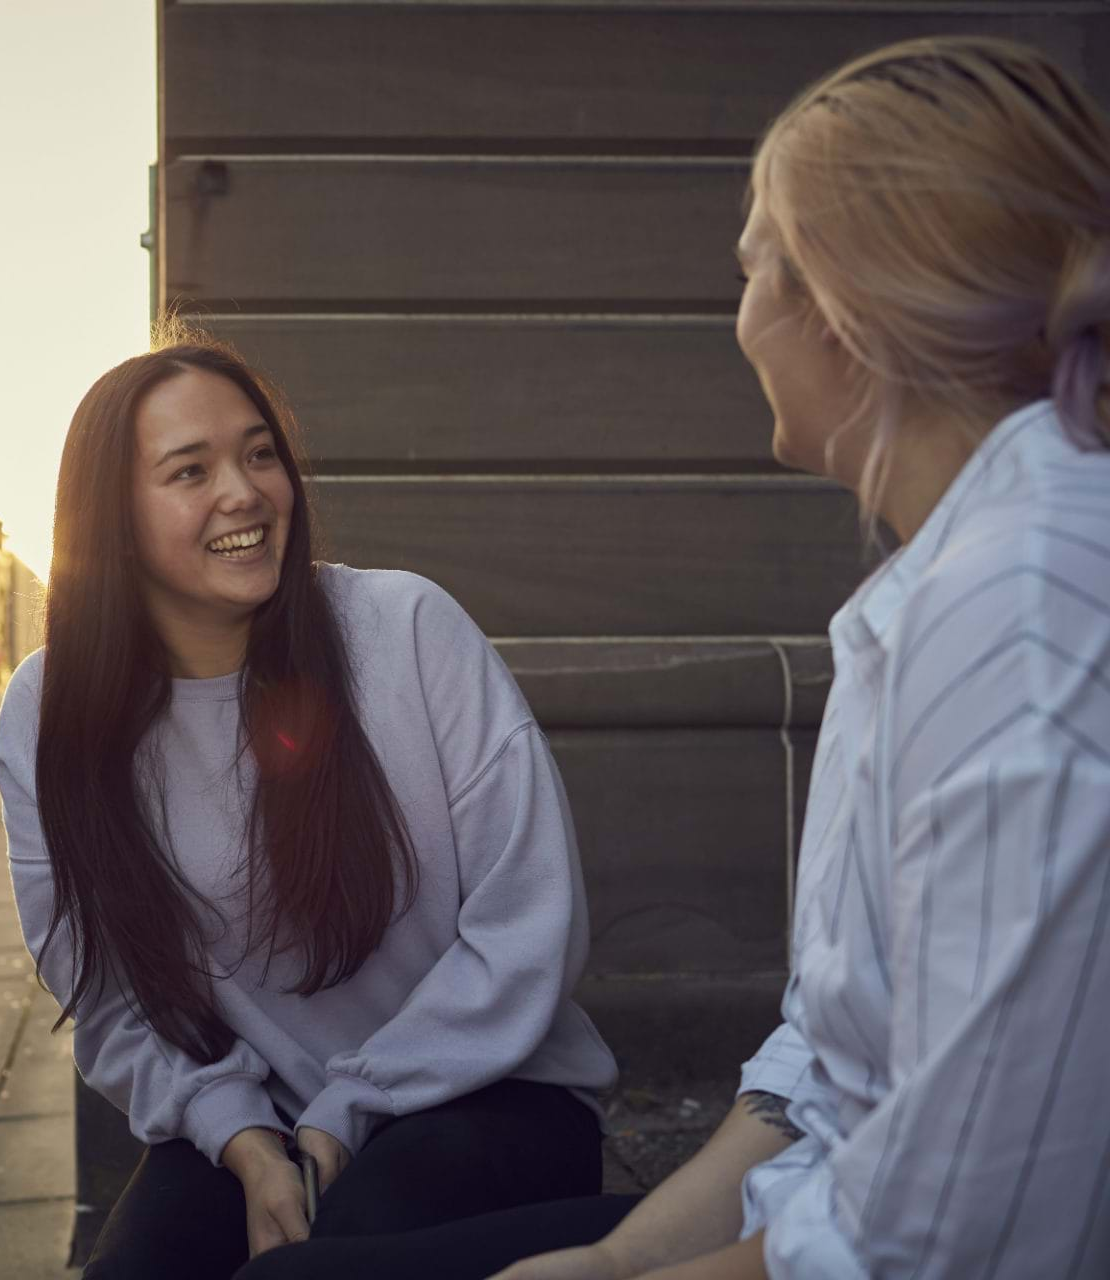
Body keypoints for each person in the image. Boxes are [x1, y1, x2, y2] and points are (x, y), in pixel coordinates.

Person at [235, 35, 1110, 1280]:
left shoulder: (1014, 616)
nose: (738, 314)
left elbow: (956, 1230)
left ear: (847, 305)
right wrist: (615, 1259)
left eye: (754, 269)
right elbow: (819, 1071)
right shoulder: (934, 593)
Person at [0, 333, 618, 1279]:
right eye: (189, 471)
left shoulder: (406, 630)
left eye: (258, 454)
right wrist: (239, 1136)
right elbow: (103, 994)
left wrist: (344, 1114)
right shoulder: (51, 714)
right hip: (255, 1117)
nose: (244, 493)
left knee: (332, 1253)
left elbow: (530, 928)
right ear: (112, 522)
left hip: (494, 1093)